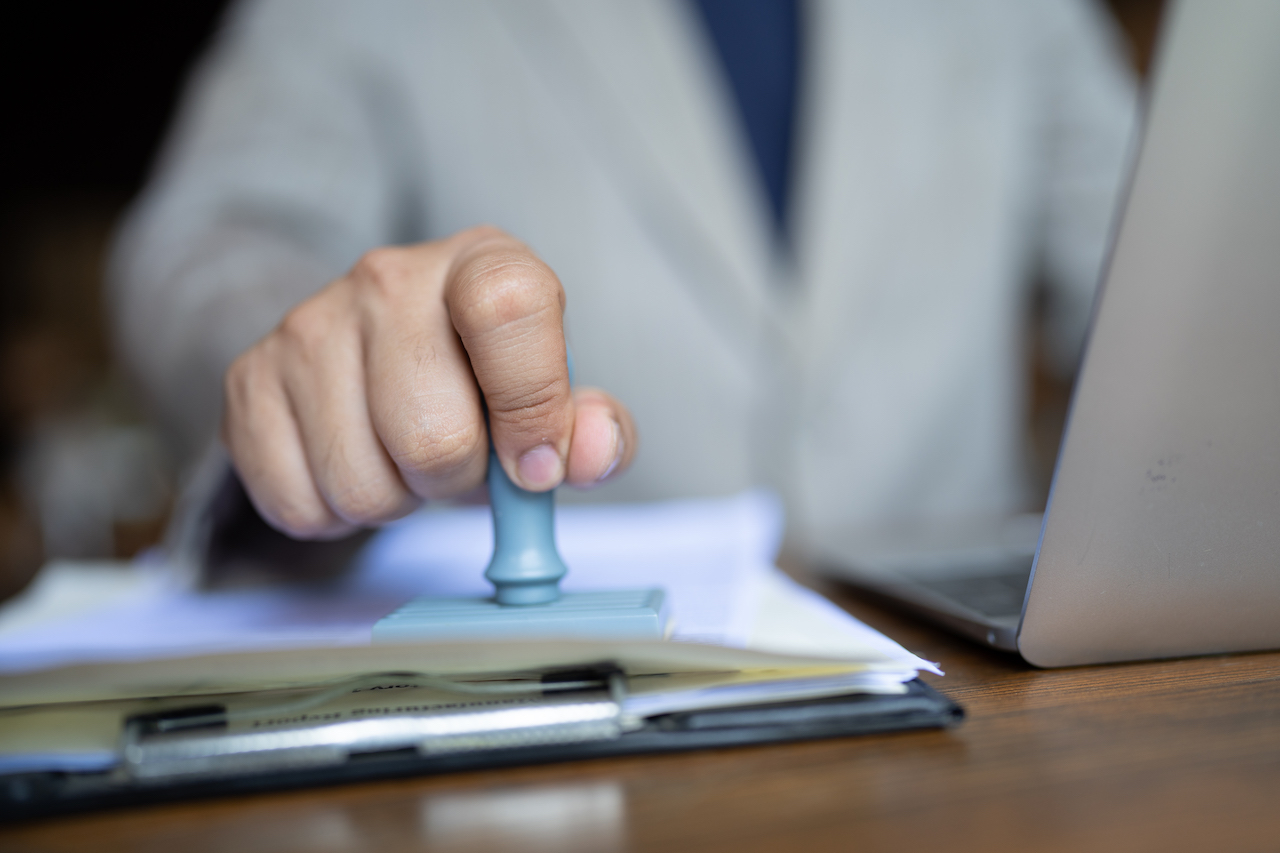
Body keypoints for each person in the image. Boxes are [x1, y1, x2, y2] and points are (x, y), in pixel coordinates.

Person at [109, 0, 1136, 568]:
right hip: (567, 729)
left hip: (968, 711)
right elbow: (208, 240)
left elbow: (1145, 270)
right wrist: (323, 364)